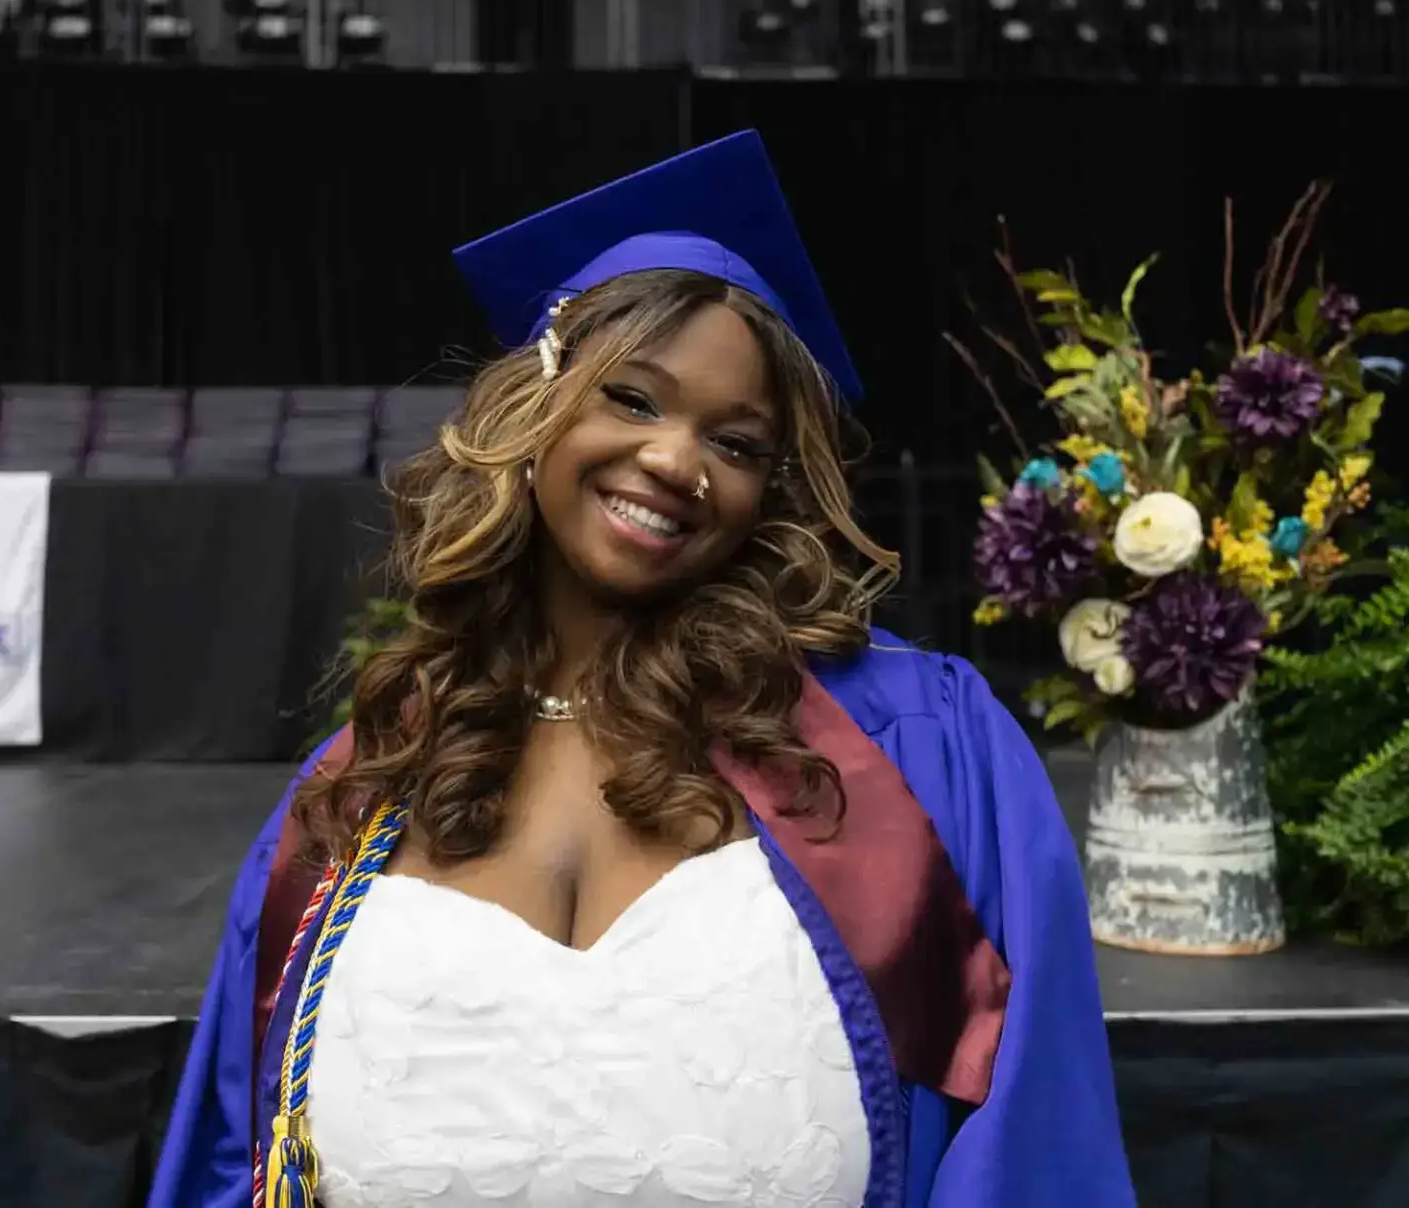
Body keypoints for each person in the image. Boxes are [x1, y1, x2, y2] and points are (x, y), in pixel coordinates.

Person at [149, 131, 1134, 1208]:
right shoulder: (371, 778)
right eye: (633, 398)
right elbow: (238, 1155)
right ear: (531, 408)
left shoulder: (924, 746)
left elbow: (1032, 1140)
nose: (676, 460)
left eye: (740, 443)